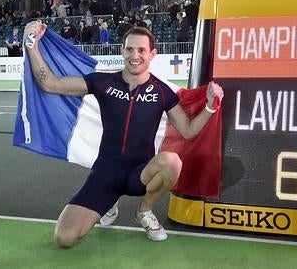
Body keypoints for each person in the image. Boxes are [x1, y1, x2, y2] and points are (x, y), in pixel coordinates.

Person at [22, 21, 224, 248]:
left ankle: (145, 211)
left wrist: (210, 105)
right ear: (122, 51)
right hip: (105, 173)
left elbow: (188, 131)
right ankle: (109, 202)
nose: (134, 55)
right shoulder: (104, 81)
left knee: (172, 162)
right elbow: (51, 84)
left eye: (141, 50)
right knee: (64, 238)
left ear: (152, 54)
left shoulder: (162, 92)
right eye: (129, 49)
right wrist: (32, 44)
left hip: (140, 174)